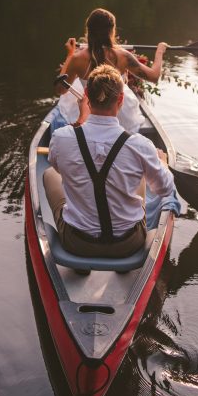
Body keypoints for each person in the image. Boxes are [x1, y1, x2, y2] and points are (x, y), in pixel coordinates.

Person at [44, 64, 175, 259]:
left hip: (76, 242)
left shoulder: (61, 137)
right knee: (140, 177)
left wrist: (81, 119)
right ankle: (123, 270)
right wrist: (163, 163)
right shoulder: (140, 145)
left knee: (50, 174)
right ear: (121, 99)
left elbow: (57, 166)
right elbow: (165, 190)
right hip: (128, 244)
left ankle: (81, 267)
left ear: (86, 96)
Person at [54, 8, 168, 132]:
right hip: (121, 115)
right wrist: (160, 51)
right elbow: (154, 76)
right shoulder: (123, 56)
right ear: (112, 31)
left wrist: (70, 55)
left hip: (89, 111)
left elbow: (61, 90)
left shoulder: (77, 58)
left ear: (88, 31)